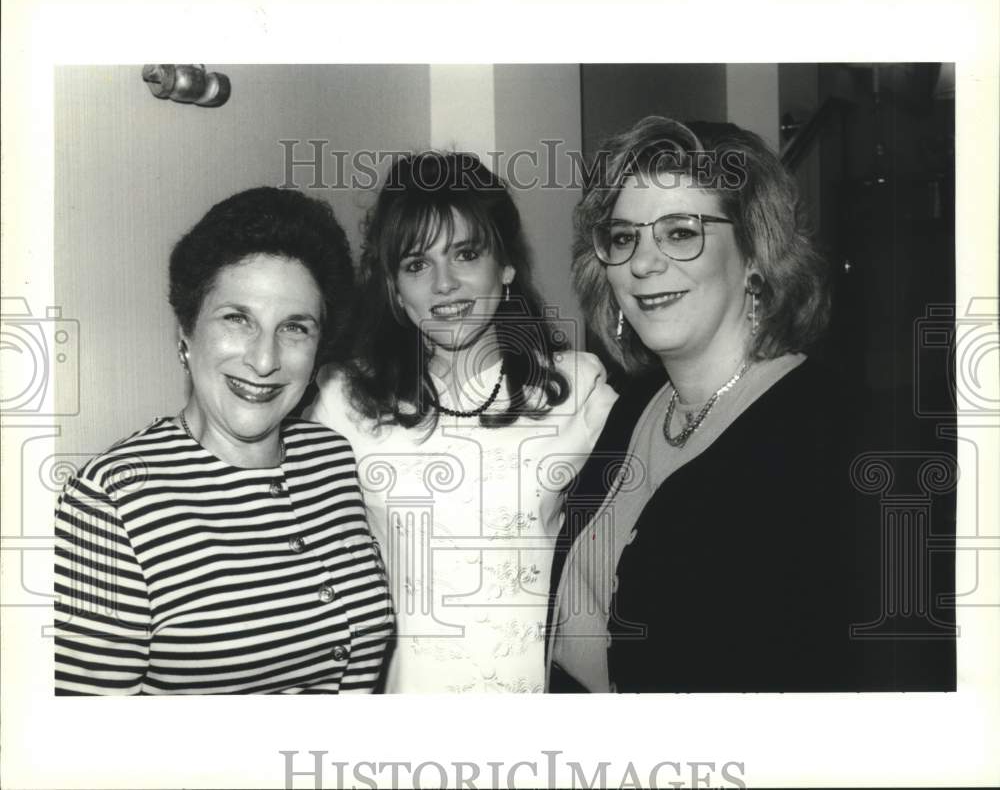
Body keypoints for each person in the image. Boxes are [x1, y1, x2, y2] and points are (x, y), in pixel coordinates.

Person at [548, 115, 887, 692]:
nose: (643, 262)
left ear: (756, 254)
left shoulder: (834, 438)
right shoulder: (631, 410)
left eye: (680, 232)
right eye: (624, 236)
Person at [54, 187, 393, 694]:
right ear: (186, 332)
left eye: (295, 327)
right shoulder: (110, 501)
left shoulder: (332, 459)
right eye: (238, 319)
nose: (264, 360)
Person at [307, 151, 617, 693]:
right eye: (417, 264)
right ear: (395, 290)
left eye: (466, 254)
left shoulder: (577, 389)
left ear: (506, 265)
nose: (444, 284)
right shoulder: (345, 404)